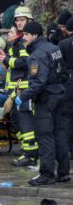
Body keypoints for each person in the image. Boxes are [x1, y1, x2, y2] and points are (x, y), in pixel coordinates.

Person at [15, 21, 68, 186]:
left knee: (44, 136)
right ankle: (63, 173)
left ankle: (46, 174)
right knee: (59, 134)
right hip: (59, 95)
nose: (24, 38)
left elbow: (38, 83)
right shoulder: (54, 48)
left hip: (45, 99)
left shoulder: (37, 54)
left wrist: (22, 97)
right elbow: (63, 72)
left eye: (26, 35)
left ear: (34, 35)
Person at [2, 5, 38, 166]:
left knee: (26, 122)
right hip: (19, 90)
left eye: (22, 20)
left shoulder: (23, 42)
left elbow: (25, 63)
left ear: (29, 20)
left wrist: (7, 60)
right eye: (17, 20)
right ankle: (27, 151)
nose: (18, 23)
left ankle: (30, 154)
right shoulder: (20, 41)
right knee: (21, 122)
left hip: (24, 89)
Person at [58, 17, 73, 158]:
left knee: (67, 115)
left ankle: (68, 149)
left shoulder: (63, 44)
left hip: (68, 82)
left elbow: (59, 66)